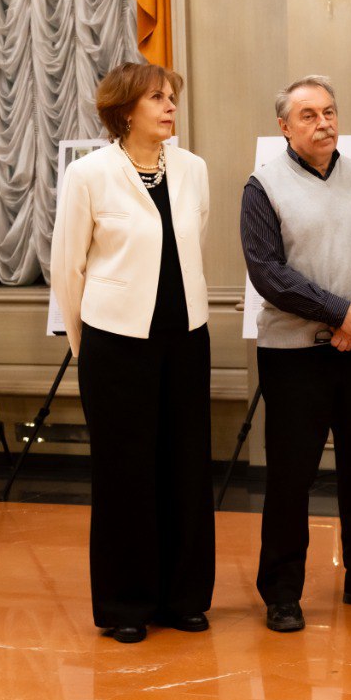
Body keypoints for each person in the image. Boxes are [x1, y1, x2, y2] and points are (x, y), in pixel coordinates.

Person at [241, 75, 351, 633]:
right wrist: (340, 313)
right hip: (293, 356)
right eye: (309, 115)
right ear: (284, 127)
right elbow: (267, 272)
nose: (324, 123)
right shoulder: (263, 186)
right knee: (290, 476)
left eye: (329, 112)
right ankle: (281, 592)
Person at [50, 62, 214, 645]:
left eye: (172, 96)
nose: (170, 106)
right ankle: (125, 603)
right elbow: (68, 267)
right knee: (125, 474)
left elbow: (194, 242)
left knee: (186, 467)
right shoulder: (88, 174)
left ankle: (184, 598)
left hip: (187, 338)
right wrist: (86, 346)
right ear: (124, 110)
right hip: (115, 344)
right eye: (157, 98)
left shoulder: (193, 169)